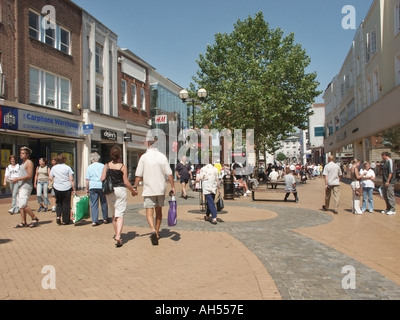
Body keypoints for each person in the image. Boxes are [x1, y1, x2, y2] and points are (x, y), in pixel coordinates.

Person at [133, 136, 175, 246]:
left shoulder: (144, 157)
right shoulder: (162, 157)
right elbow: (169, 173)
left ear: (148, 144)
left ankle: (152, 229)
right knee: (159, 211)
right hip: (161, 189)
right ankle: (156, 232)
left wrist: (135, 187)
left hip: (148, 189)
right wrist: (173, 187)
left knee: (149, 210)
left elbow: (138, 174)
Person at [102, 145, 136, 247]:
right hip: (120, 190)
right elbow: (125, 181)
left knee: (114, 214)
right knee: (120, 214)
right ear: (119, 155)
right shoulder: (122, 166)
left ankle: (117, 234)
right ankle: (118, 235)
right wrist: (133, 190)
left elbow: (102, 178)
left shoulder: (106, 165)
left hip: (110, 191)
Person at [13, 147, 39, 228]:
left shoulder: (29, 163)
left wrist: (17, 179)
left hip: (26, 186)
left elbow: (29, 176)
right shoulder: (22, 163)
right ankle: (23, 222)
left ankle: (34, 217)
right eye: (20, 153)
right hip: (21, 185)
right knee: (20, 205)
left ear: (27, 155)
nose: (21, 154)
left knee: (23, 204)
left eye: (23, 153)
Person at [49, 154, 76, 225]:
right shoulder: (68, 168)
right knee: (66, 204)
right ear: (64, 160)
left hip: (57, 187)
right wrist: (74, 189)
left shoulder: (54, 168)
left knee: (58, 202)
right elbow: (71, 179)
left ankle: (58, 216)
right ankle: (65, 220)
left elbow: (50, 177)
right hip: (66, 187)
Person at [86, 152, 109, 226]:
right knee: (104, 202)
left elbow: (87, 180)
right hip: (101, 185)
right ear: (98, 158)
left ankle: (94, 220)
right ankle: (105, 218)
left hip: (92, 186)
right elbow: (106, 176)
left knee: (94, 204)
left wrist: (87, 188)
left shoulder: (89, 167)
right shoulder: (102, 166)